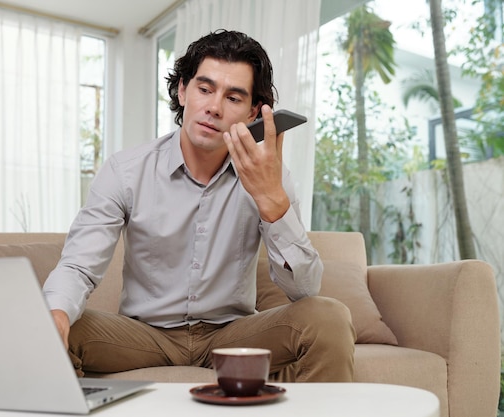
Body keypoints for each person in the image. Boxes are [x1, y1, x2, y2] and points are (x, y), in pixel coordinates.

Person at [43, 29, 355, 382]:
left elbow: (305, 290)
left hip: (233, 335)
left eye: (233, 98)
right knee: (48, 328)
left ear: (253, 111)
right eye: (205, 89)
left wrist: (273, 203)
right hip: (144, 337)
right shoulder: (126, 171)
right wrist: (56, 313)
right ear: (183, 90)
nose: (214, 107)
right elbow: (79, 266)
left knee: (328, 317)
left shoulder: (269, 175)